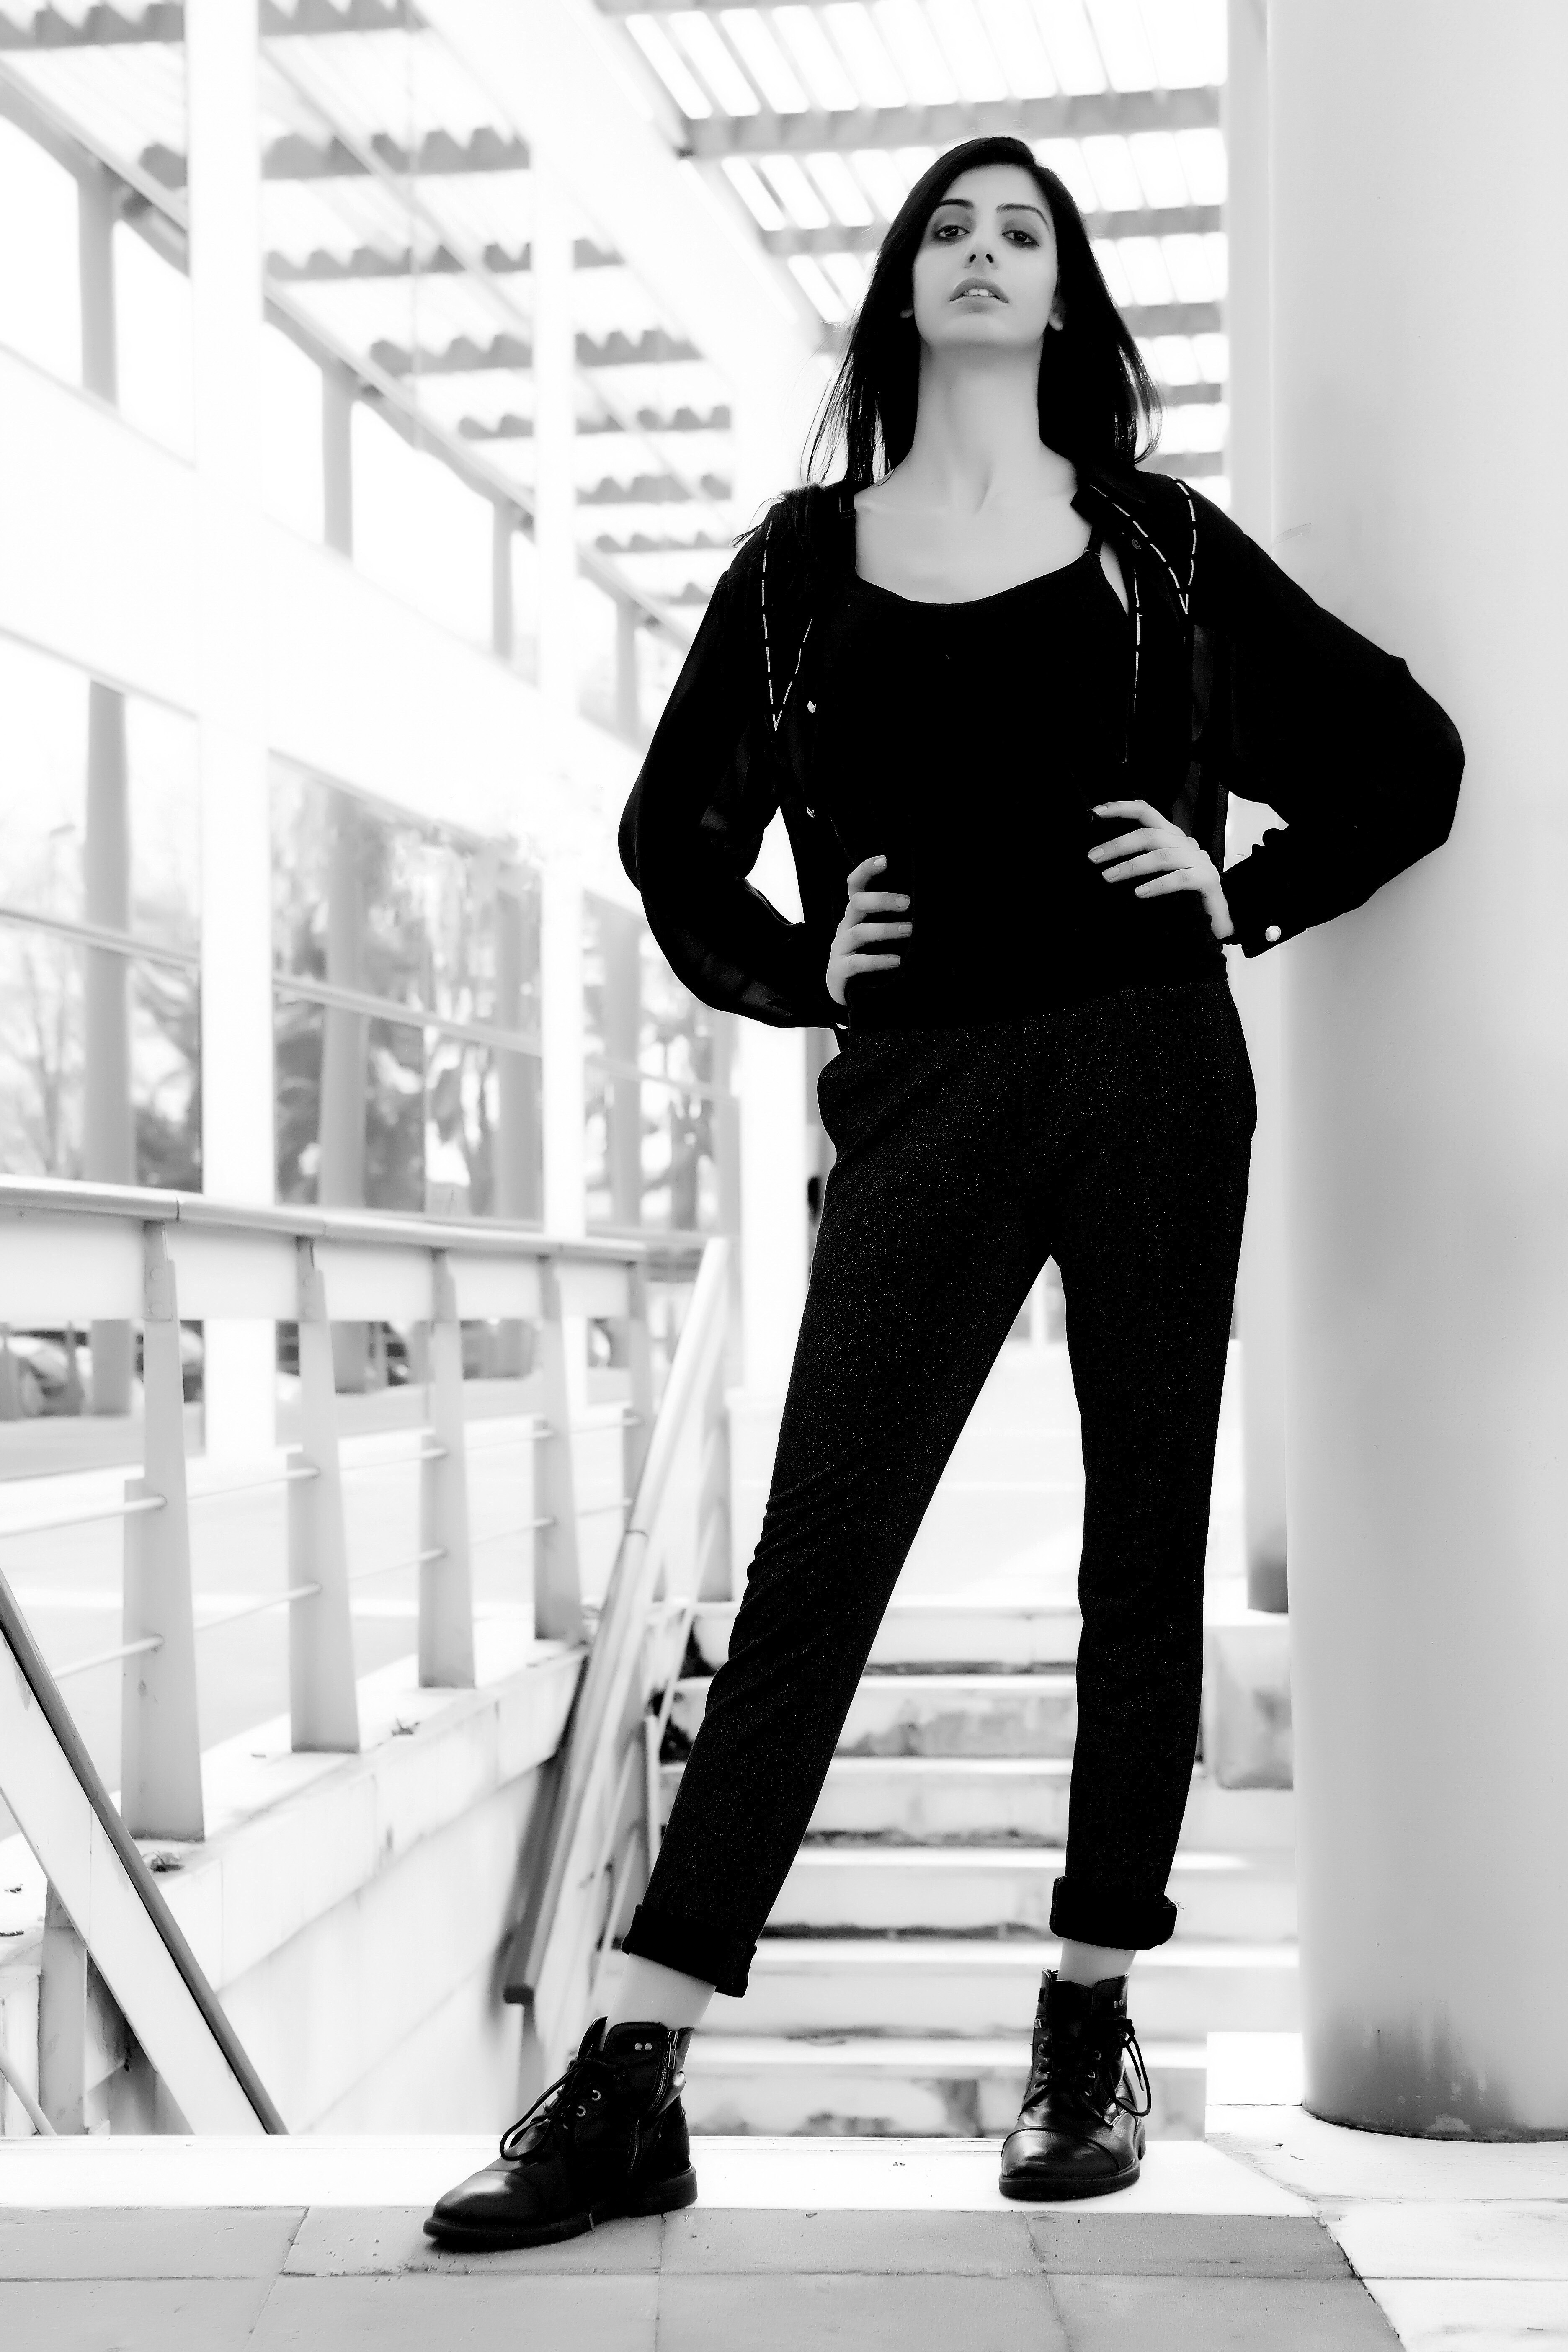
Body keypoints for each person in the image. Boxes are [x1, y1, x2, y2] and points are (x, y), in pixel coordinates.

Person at [426, 134, 1462, 2250]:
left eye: (1024, 233)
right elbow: (674, 841)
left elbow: (1404, 756)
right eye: (952, 230)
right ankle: (634, 2072)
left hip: (1153, 1069)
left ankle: (1088, 2022)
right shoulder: (801, 568)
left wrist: (1242, 894)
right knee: (819, 1559)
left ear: (1066, 296)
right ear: (905, 285)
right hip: (923, 1097)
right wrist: (807, 970)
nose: (986, 253)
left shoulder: (1161, 548)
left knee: (1140, 1546)